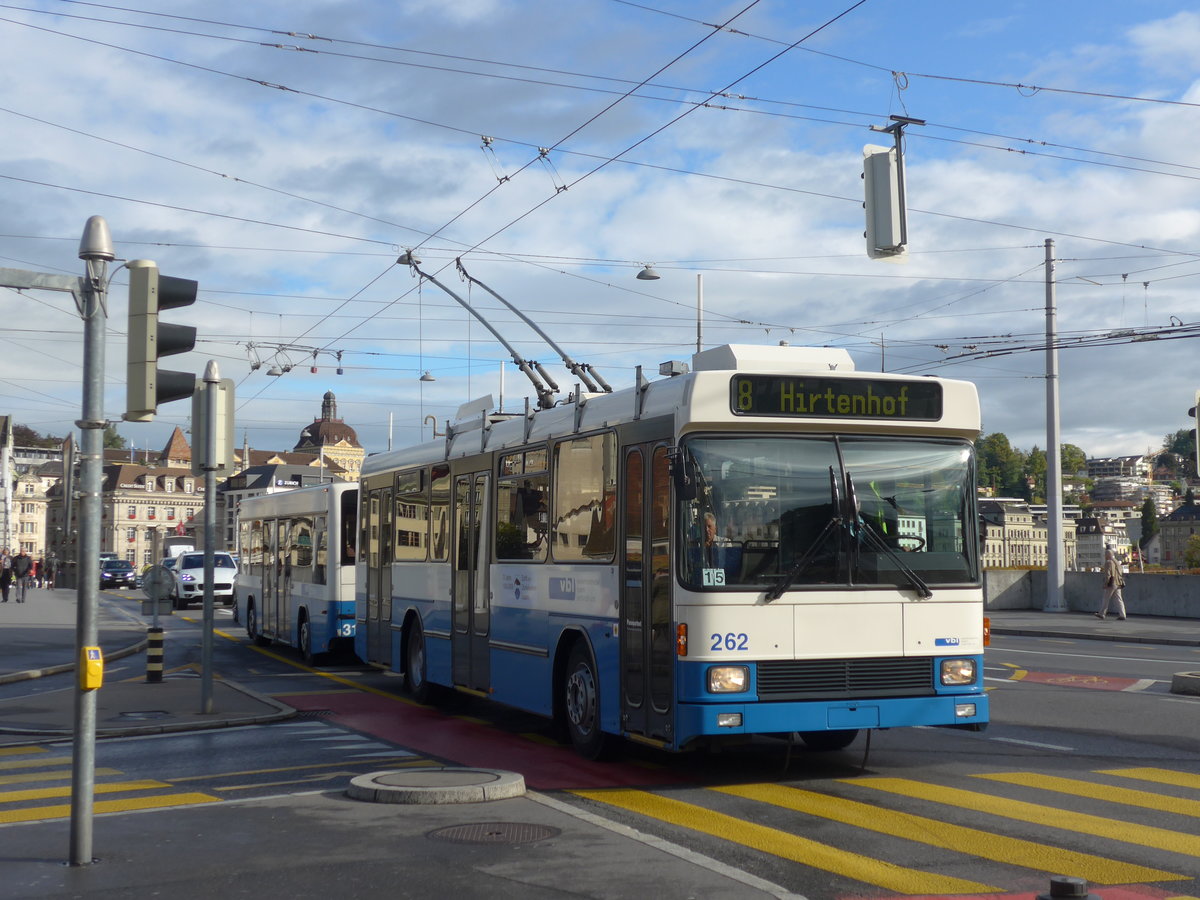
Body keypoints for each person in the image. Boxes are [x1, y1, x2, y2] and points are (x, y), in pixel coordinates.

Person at [1095, 547, 1127, 621]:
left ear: (1108, 555)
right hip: (1119, 583)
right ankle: (1123, 614)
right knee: (1119, 599)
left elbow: (1108, 575)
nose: (1104, 556)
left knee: (1106, 598)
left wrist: (1106, 583)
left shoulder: (1108, 562)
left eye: (1105, 555)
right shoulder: (1117, 562)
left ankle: (1102, 614)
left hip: (1112, 583)